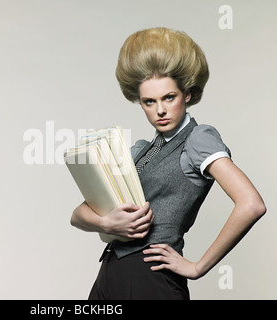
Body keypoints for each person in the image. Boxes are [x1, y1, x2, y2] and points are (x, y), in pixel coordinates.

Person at [70, 27, 266, 300]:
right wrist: (108, 224)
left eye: (168, 98)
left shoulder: (198, 139)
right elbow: (78, 214)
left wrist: (198, 267)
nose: (160, 110)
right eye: (149, 101)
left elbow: (252, 204)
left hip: (150, 277)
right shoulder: (141, 150)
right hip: (109, 273)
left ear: (186, 94)